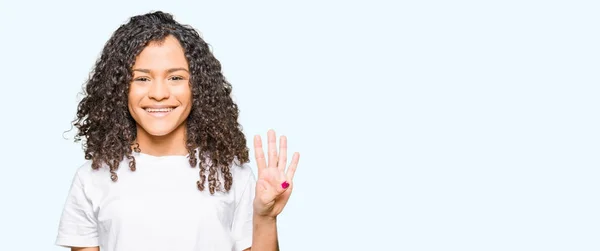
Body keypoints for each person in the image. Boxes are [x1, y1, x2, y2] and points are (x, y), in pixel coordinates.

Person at [55, 11, 300, 251]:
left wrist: (266, 218)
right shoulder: (91, 179)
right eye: (142, 79)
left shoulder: (232, 176)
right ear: (120, 88)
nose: (159, 93)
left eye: (175, 78)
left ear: (198, 87)